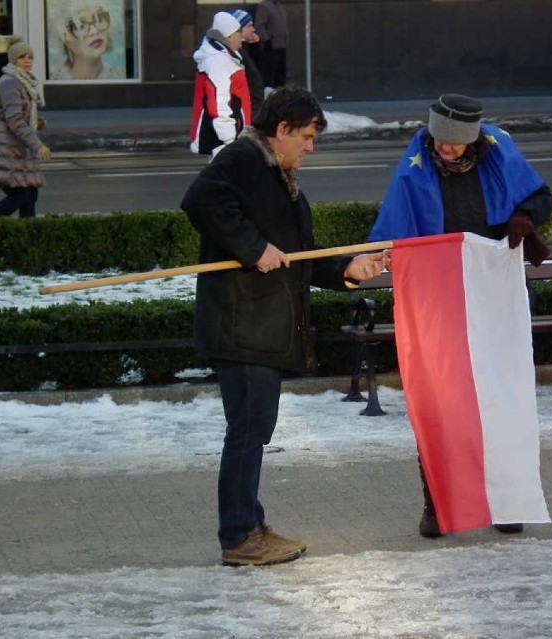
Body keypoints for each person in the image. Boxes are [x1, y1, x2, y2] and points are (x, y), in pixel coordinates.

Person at [180, 85, 389, 567]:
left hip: (263, 325)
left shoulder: (280, 177)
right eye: (308, 137)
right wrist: (252, 248)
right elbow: (200, 201)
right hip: (242, 324)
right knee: (248, 431)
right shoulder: (242, 159)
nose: (311, 148)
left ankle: (249, 524)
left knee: (254, 429)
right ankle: (238, 537)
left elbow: (297, 258)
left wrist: (347, 270)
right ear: (281, 131)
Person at [369, 93, 552, 538]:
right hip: (442, 300)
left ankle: (505, 500)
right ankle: (437, 502)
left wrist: (525, 217)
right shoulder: (415, 166)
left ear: (471, 141)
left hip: (493, 295)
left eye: (452, 144)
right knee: (441, 402)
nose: (442, 149)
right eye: (438, 140)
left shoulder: (497, 151)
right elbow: (394, 231)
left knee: (501, 398)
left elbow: (541, 195)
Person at [0, 37, 52, 222]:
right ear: (13, 61)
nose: (27, 61)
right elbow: (14, 121)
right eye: (22, 57)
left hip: (21, 150)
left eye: (30, 57)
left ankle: (27, 242)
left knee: (30, 196)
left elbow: (19, 115)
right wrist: (38, 146)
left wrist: (35, 122)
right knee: (20, 196)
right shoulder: (10, 83)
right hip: (11, 149)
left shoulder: (24, 82)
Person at [190, 12, 251, 159]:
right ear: (228, 36)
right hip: (224, 140)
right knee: (226, 179)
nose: (241, 36)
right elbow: (218, 103)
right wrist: (229, 139)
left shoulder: (222, 58)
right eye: (238, 32)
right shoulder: (219, 61)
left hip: (227, 137)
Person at [47, 1, 125, 80]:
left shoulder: (124, 78)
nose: (94, 31)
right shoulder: (53, 81)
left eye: (99, 19)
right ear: (65, 39)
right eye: (80, 26)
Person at [229, 9, 265, 118]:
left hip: (253, 108)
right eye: (249, 26)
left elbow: (259, 67)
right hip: (248, 110)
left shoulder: (245, 49)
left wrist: (255, 45)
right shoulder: (236, 52)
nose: (253, 29)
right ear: (239, 29)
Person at [255, 0, 289, 91]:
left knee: (281, 75)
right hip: (271, 47)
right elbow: (259, 25)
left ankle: (281, 96)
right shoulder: (264, 6)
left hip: (281, 45)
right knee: (270, 76)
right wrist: (266, 40)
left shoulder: (279, 5)